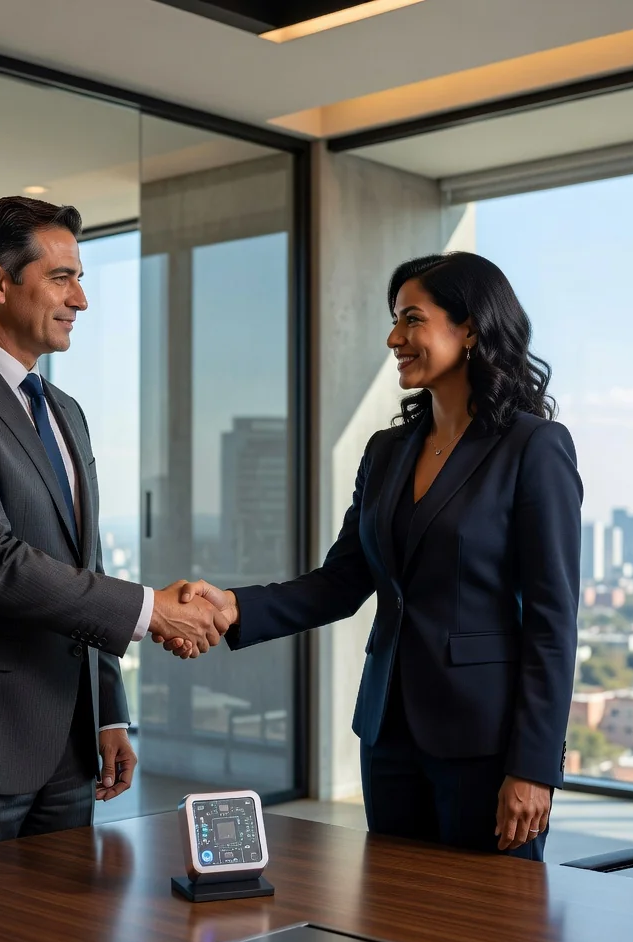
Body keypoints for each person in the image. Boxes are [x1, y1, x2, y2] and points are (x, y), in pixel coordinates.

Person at [163, 252, 582, 860]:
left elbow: (553, 622)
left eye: (412, 319)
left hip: (486, 744)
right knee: (394, 920)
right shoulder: (387, 451)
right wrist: (231, 607)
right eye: (394, 320)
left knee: (493, 935)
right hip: (388, 734)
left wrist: (536, 766)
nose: (394, 338)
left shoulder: (534, 448)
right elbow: (342, 581)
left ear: (469, 328)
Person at [0, 196, 226, 857]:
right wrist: (151, 612)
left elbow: (76, 568)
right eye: (62, 278)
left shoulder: (65, 411)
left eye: (80, 279)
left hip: (68, 745)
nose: (80, 299)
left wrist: (108, 707)